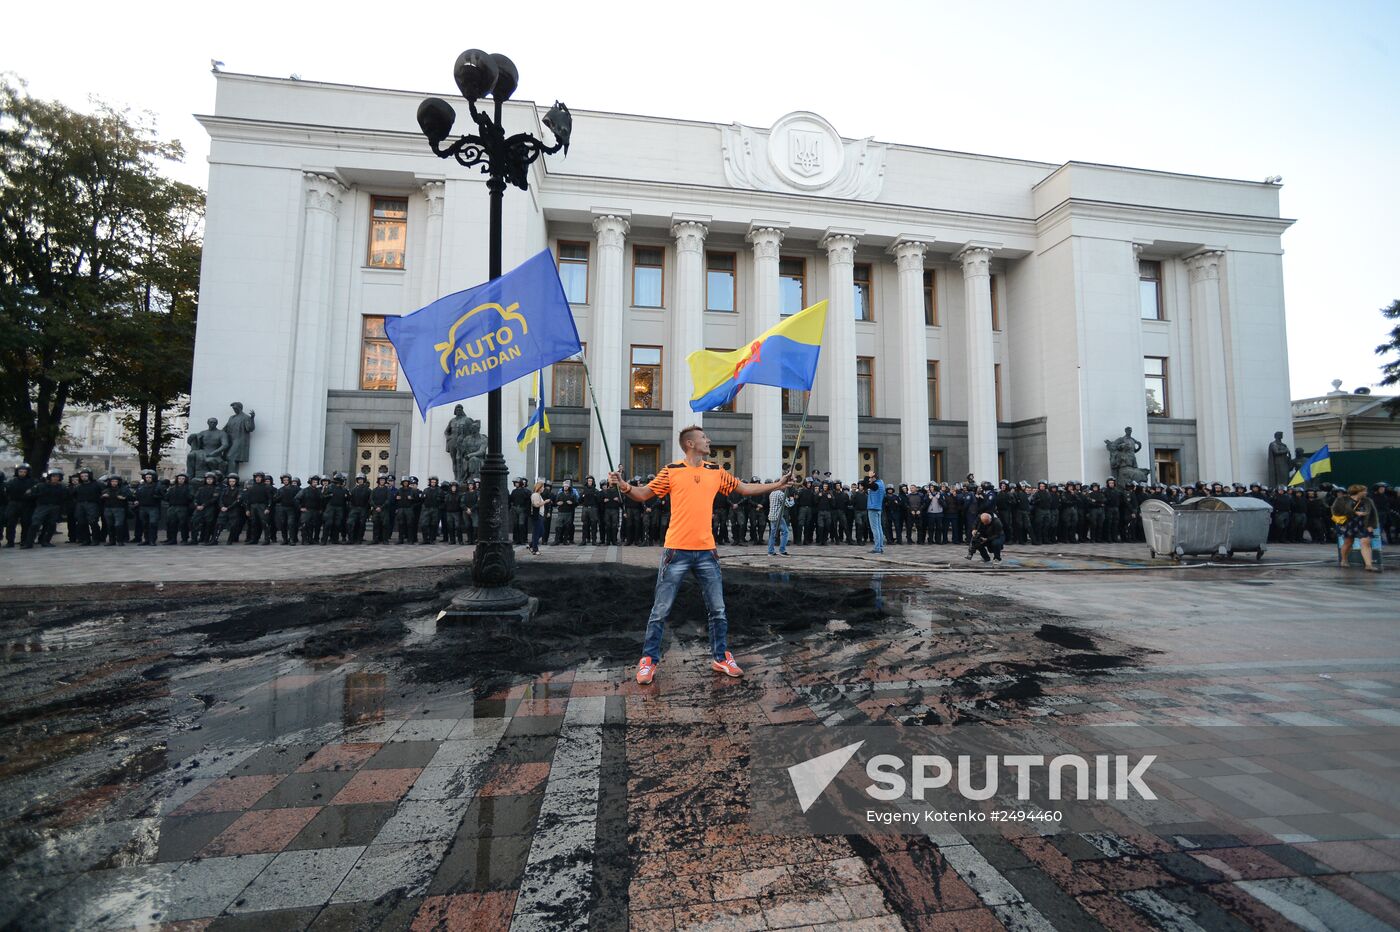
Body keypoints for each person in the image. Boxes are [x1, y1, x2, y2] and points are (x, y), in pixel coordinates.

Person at [611, 426, 795, 685]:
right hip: (676, 551)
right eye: (703, 438)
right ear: (689, 443)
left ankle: (721, 657)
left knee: (717, 610)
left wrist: (778, 483)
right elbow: (643, 495)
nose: (708, 440)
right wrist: (624, 486)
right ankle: (649, 660)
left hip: (707, 552)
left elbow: (742, 488)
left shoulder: (715, 471)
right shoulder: (672, 471)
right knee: (660, 610)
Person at [1332, 483, 1380, 572]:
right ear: (1357, 492)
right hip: (1348, 524)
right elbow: (1336, 511)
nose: (1366, 492)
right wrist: (1354, 513)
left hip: (1363, 524)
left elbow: (1373, 514)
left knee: (1366, 543)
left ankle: (1368, 565)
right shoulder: (1342, 500)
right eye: (1364, 491)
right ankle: (1344, 559)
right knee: (1348, 542)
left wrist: (1371, 525)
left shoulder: (1368, 501)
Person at [767, 482, 791, 556]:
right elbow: (788, 504)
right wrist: (792, 500)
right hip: (778, 516)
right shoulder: (780, 494)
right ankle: (782, 550)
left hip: (771, 515)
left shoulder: (772, 493)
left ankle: (770, 551)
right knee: (785, 532)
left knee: (773, 534)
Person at [528, 480, 547, 554]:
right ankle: (535, 549)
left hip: (540, 515)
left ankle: (531, 545)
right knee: (537, 533)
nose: (543, 488)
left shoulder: (538, 495)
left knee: (541, 532)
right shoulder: (535, 495)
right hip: (537, 516)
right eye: (542, 487)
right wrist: (545, 502)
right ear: (539, 488)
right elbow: (536, 505)